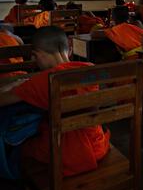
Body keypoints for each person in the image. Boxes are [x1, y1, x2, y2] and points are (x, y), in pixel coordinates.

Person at [0, 26, 110, 177]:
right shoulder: (90, 69)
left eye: (35, 58)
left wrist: (11, 86)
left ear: (36, 55)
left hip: (66, 154)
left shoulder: (44, 80)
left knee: (19, 144)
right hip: (98, 144)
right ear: (69, 50)